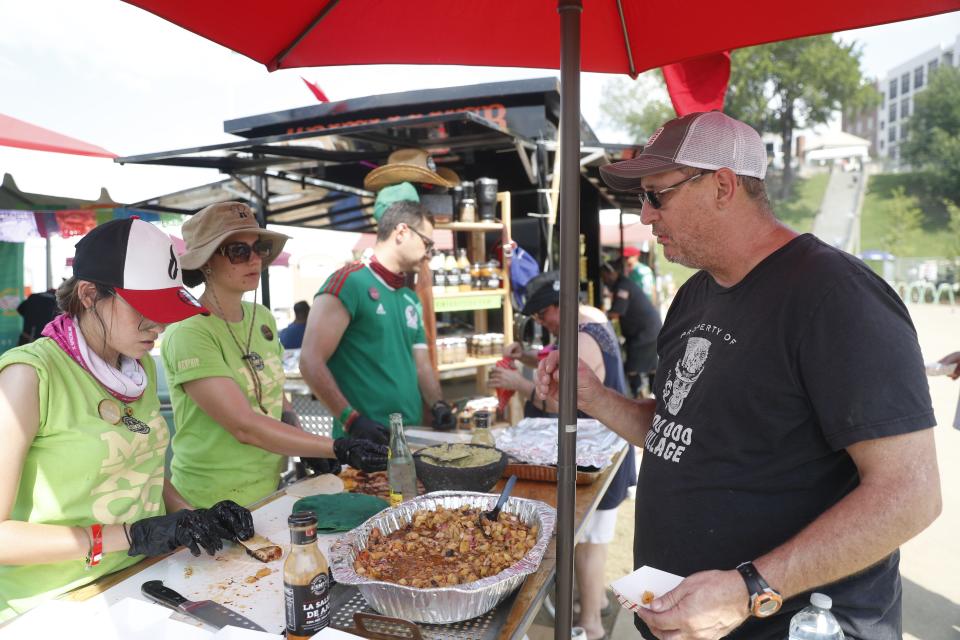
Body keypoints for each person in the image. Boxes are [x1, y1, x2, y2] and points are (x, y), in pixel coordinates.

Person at [537, 111, 941, 640]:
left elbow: (911, 494)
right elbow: (677, 433)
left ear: (723, 185)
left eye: (659, 195)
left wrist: (750, 587)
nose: (646, 216)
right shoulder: (694, 295)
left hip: (791, 624)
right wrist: (591, 396)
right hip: (685, 614)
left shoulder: (835, 296)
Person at [0, 218, 255, 622]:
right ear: (88, 294)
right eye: (146, 310)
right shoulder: (28, 377)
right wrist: (132, 536)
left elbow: (141, 462)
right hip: (51, 603)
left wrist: (190, 516)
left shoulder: (138, 368)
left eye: (165, 310)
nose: (159, 326)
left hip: (140, 578)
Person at [161, 202, 386, 510]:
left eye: (260, 248)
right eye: (239, 251)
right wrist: (336, 448)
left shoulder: (262, 318)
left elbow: (275, 400)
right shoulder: (189, 332)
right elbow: (243, 425)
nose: (255, 259)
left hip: (270, 491)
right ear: (206, 261)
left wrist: (306, 445)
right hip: (210, 504)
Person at [490, 272, 636, 640]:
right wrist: (525, 357)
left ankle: (591, 624)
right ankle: (592, 603)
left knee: (590, 543)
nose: (542, 324)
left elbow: (562, 402)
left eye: (542, 317)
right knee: (589, 539)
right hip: (598, 447)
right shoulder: (590, 322)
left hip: (597, 453)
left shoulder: (582, 339)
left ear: (558, 306)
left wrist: (520, 384)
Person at [300, 200, 454, 444]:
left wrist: (438, 405)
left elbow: (422, 365)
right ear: (402, 232)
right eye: (427, 243)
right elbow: (310, 361)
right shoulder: (349, 282)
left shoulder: (409, 297)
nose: (428, 253)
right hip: (365, 440)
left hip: (410, 435)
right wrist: (351, 420)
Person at [600, 259, 662, 397]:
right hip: (649, 329)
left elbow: (616, 312)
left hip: (645, 332)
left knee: (633, 367)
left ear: (612, 273)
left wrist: (597, 315)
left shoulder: (623, 287)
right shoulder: (622, 284)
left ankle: (638, 396)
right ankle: (654, 397)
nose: (603, 280)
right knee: (650, 366)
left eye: (604, 276)